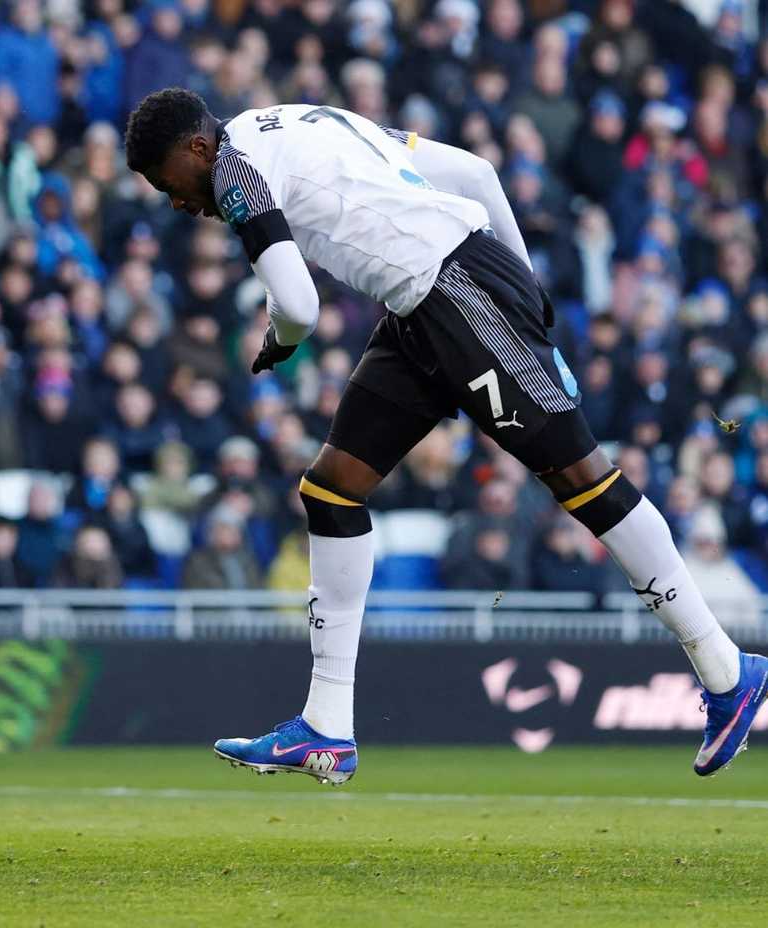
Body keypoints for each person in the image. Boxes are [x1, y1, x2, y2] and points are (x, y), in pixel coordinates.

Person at [124, 86, 763, 784]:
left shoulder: (233, 170)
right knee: (332, 491)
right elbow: (476, 175)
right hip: (425, 305)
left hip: (456, 291)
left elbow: (301, 307)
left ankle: (726, 671)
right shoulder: (296, 119)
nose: (177, 202)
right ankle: (327, 729)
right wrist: (522, 276)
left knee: (583, 478)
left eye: (168, 184)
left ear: (194, 149)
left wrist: (282, 336)